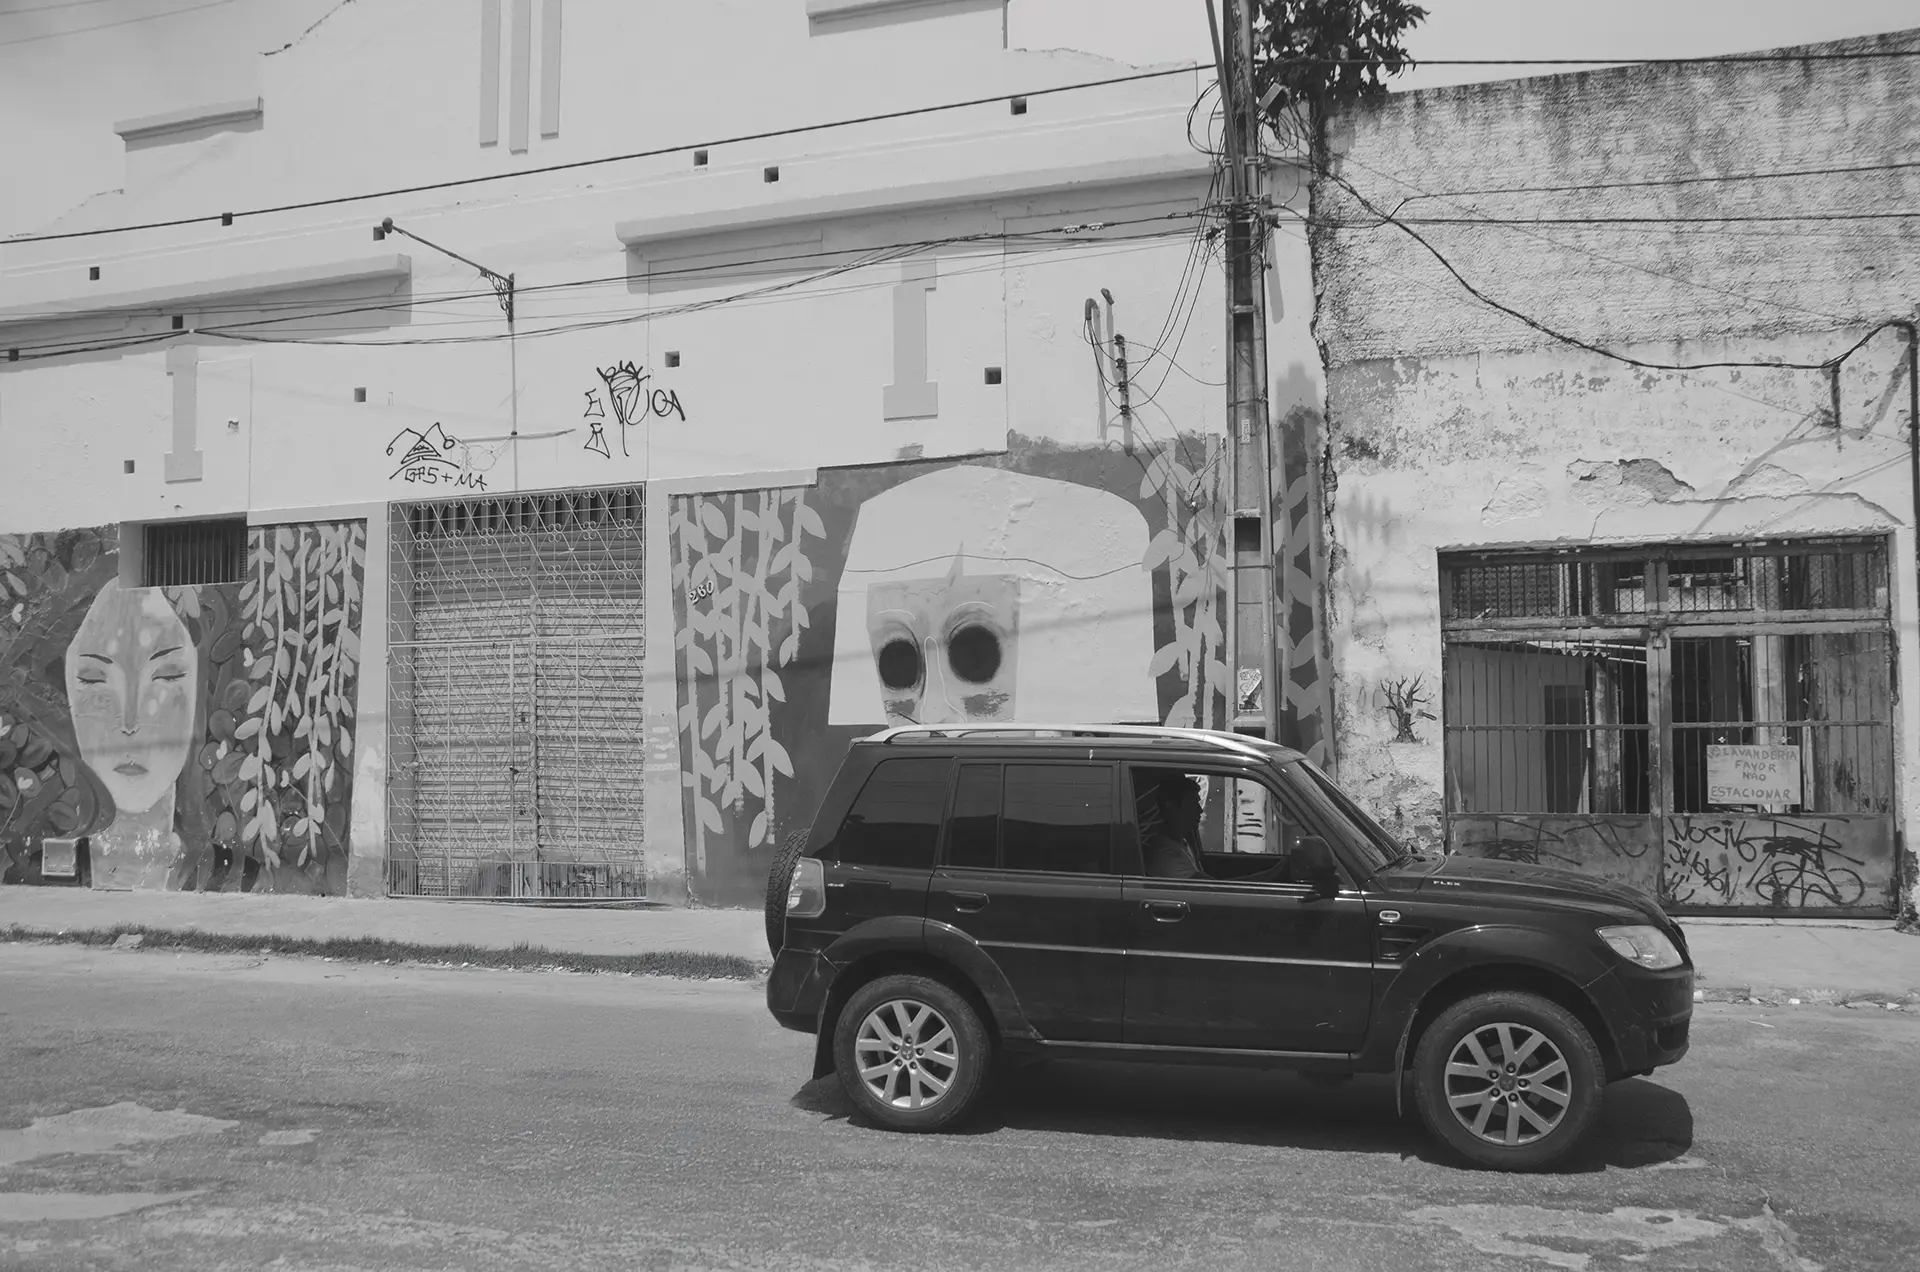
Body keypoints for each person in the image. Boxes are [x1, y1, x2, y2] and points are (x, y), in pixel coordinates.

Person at [1143, 776, 1207, 879]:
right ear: (1171, 807)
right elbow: (1210, 889)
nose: (1200, 810)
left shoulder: (1182, 842)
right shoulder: (1165, 853)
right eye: (1192, 804)